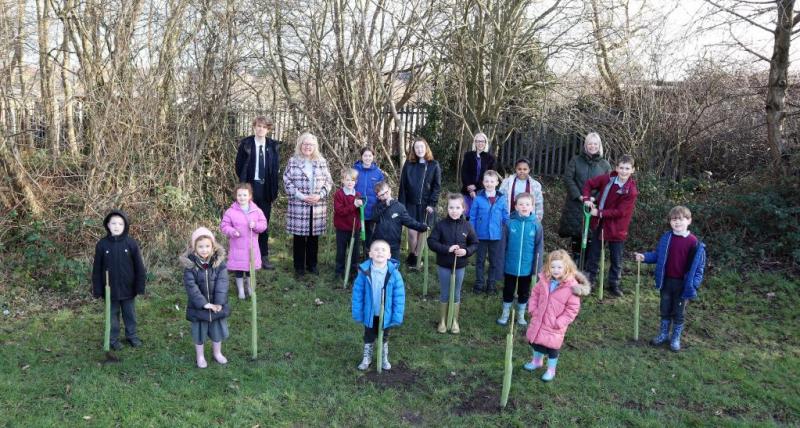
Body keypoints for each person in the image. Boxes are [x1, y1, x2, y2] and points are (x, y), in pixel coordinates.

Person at [635, 206, 706, 352]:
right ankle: (663, 334)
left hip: (683, 284)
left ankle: (675, 338)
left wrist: (694, 284)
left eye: (681, 219)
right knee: (665, 309)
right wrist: (644, 257)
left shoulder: (694, 242)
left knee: (678, 312)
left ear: (689, 221)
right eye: (674, 219)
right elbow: (657, 255)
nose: (677, 222)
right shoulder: (666, 238)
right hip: (666, 281)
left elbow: (699, 267)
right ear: (670, 222)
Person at [523, 250, 590, 382]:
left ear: (566, 267)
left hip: (555, 325)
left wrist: (559, 322)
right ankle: (537, 361)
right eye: (553, 267)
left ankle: (551, 370)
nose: (556, 270)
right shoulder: (544, 280)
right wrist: (533, 309)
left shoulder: (571, 287)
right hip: (539, 319)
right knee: (536, 342)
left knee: (552, 348)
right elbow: (535, 294)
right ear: (548, 267)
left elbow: (572, 309)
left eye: (559, 267)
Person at [582, 154, 639, 297]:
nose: (624, 171)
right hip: (600, 224)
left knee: (616, 258)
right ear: (616, 168)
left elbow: (620, 212)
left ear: (632, 170)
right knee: (594, 254)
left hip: (617, 228)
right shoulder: (608, 179)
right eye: (621, 168)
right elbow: (589, 183)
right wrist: (587, 198)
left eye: (627, 168)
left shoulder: (631, 191)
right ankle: (589, 281)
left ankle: (614, 284)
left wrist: (599, 212)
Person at [92, 210, 147, 350]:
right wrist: (98, 289)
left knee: (130, 315)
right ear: (108, 225)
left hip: (128, 289)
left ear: (125, 226)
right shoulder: (102, 245)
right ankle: (113, 339)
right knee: (112, 316)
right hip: (110, 290)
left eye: (120, 224)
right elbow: (97, 269)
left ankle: (132, 336)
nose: (117, 226)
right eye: (114, 223)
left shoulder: (131, 244)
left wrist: (139, 286)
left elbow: (139, 267)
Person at [283, 132, 334, 276]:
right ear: (300, 145)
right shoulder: (293, 161)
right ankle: (299, 267)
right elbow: (287, 181)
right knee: (299, 237)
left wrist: (320, 195)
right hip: (299, 204)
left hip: (317, 205)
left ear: (315, 146)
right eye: (305, 144)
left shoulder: (321, 161)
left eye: (311, 144)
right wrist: (302, 196)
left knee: (313, 236)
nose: (308, 147)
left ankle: (312, 265)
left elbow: (328, 182)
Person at [427, 193, 478, 334]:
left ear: (463, 209)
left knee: (456, 293)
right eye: (451, 207)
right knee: (445, 292)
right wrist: (447, 249)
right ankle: (442, 320)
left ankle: (454, 320)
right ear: (447, 208)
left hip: (460, 266)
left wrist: (466, 251)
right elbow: (431, 242)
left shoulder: (467, 226)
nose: (454, 211)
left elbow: (474, 243)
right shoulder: (440, 225)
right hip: (444, 264)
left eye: (457, 208)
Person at [351, 240, 406, 371]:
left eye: (383, 250)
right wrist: (357, 312)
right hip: (369, 312)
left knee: (384, 336)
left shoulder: (394, 274)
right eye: (376, 249)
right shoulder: (364, 272)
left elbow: (399, 297)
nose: (379, 252)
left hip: (386, 313)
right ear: (370, 254)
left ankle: (383, 357)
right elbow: (358, 294)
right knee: (369, 335)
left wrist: (397, 315)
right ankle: (367, 357)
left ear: (389, 255)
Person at [180, 227, 230, 368]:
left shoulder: (219, 264)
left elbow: (222, 283)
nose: (204, 250)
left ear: (213, 246)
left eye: (207, 246)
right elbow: (191, 287)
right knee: (199, 333)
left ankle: (217, 353)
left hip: (216, 306)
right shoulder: (190, 266)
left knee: (217, 331)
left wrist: (219, 303)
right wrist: (204, 304)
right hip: (198, 307)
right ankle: (200, 356)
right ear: (194, 248)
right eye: (200, 246)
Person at [557, 132, 612, 261]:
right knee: (576, 237)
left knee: (591, 238)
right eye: (590, 144)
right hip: (576, 205)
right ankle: (576, 264)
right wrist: (579, 196)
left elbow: (608, 185)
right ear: (586, 145)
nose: (592, 146)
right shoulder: (575, 160)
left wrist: (594, 198)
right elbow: (568, 179)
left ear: (599, 145)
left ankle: (587, 266)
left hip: (594, 206)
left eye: (595, 144)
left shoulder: (605, 165)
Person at [235, 116, 280, 270]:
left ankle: (263, 256)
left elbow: (275, 168)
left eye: (264, 127)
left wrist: (273, 187)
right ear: (254, 127)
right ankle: (246, 256)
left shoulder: (273, 146)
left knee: (262, 223)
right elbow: (239, 166)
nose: (261, 129)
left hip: (266, 189)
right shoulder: (246, 144)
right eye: (258, 126)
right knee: (246, 222)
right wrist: (245, 185)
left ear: (268, 129)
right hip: (250, 188)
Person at [496, 193, 543, 327]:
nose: (524, 207)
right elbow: (502, 246)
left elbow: (539, 248)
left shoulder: (536, 225)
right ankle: (505, 313)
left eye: (527, 204)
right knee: (508, 289)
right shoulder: (509, 223)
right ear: (516, 206)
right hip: (510, 265)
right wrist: (500, 264)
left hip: (526, 267)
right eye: (521, 204)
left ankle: (521, 315)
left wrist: (537, 268)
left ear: (532, 207)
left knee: (524, 291)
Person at [398, 137, 441, 269]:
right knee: (412, 233)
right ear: (414, 149)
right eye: (417, 147)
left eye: (422, 147)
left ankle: (416, 257)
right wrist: (401, 204)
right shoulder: (409, 164)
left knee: (421, 233)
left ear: (426, 148)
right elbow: (403, 185)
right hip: (410, 204)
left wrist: (432, 204)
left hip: (425, 206)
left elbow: (436, 187)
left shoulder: (434, 165)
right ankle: (413, 253)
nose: (419, 149)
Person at [219, 183, 268, 299]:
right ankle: (241, 290)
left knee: (250, 270)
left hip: (251, 247)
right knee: (239, 270)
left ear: (250, 196)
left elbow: (263, 224)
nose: (242, 197)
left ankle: (250, 288)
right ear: (236, 196)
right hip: (237, 247)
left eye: (245, 195)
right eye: (239, 195)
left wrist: (255, 225)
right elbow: (224, 226)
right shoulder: (230, 211)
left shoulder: (256, 211)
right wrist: (232, 231)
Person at [468, 170, 508, 294]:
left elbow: (505, 216)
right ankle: (479, 284)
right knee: (480, 261)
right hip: (480, 235)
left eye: (492, 181)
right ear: (483, 182)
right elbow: (472, 217)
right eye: (486, 181)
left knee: (493, 261)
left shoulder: (502, 198)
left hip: (496, 236)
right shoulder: (478, 198)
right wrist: (472, 233)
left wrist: (508, 226)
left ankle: (491, 284)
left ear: (497, 183)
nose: (489, 184)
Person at [370, 181, 429, 261]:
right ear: (378, 197)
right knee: (378, 264)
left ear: (390, 190)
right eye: (382, 195)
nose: (385, 196)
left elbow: (409, 221)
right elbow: (374, 218)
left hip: (393, 245)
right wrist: (384, 206)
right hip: (379, 243)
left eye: (386, 192)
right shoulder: (377, 207)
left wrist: (421, 227)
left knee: (393, 265)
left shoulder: (399, 207)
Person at [333, 168, 363, 281]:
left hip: (355, 229)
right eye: (347, 180)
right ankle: (339, 272)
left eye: (353, 180)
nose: (350, 182)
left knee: (355, 252)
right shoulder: (339, 194)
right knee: (341, 251)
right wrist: (354, 205)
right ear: (342, 181)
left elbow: (359, 212)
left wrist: (361, 206)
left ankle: (353, 273)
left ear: (356, 182)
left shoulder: (358, 194)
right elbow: (340, 211)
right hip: (342, 228)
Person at [353, 147, 385, 247]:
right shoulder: (355, 170)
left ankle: (368, 252)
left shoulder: (378, 172)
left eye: (370, 156)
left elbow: (381, 190)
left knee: (369, 233)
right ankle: (356, 253)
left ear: (373, 157)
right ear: (361, 157)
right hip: (357, 208)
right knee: (356, 233)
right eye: (365, 156)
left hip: (371, 209)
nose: (367, 158)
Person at [460, 132, 496, 216]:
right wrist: (470, 189)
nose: (480, 143)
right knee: (467, 215)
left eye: (482, 141)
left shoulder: (490, 158)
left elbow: (490, 175)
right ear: (475, 142)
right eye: (478, 141)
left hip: (482, 190)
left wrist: (476, 186)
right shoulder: (468, 155)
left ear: (485, 143)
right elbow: (464, 172)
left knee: (480, 215)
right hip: (467, 190)